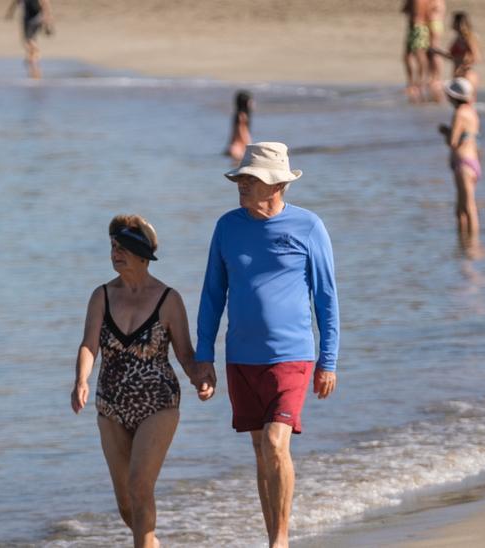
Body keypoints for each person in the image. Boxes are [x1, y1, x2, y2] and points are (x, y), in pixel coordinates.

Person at [195, 142, 340, 548]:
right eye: (241, 177)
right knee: (261, 449)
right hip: (240, 356)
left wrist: (328, 361)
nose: (241, 184)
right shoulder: (227, 226)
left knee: (277, 441)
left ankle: (280, 540)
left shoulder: (308, 227)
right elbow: (212, 294)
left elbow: (326, 298)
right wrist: (202, 356)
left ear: (275, 186)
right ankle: (271, 536)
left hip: (292, 356)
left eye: (250, 179)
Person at [71, 215, 214, 547]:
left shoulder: (168, 299)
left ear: (142, 254)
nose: (115, 254)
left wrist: (199, 378)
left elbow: (185, 354)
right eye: (113, 247)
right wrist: (81, 379)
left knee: (139, 486)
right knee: (126, 504)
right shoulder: (101, 297)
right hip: (110, 406)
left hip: (158, 404)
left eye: (122, 248)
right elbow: (89, 344)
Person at [438, 78, 481, 236]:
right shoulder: (471, 111)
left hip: (464, 164)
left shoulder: (459, 113)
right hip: (473, 161)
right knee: (461, 210)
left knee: (468, 208)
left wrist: (445, 131)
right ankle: (464, 245)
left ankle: (472, 245)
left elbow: (453, 142)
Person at [430, 11, 481, 89]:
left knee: (465, 99)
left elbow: (476, 57)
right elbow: (451, 56)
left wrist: (462, 64)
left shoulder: (468, 38)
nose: (452, 23)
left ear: (459, 23)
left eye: (454, 21)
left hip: (466, 73)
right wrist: (437, 51)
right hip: (457, 74)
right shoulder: (457, 39)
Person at [5, 0, 53, 79]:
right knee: (28, 39)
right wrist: (10, 12)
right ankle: (32, 57)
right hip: (28, 17)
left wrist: (47, 19)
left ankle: (35, 53)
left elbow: (45, 3)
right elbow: (16, 3)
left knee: (29, 39)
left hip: (36, 17)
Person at [401, 0, 432, 102]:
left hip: (417, 26)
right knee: (408, 56)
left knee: (419, 55)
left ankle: (418, 83)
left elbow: (404, 9)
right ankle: (414, 83)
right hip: (418, 26)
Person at [425, 0, 447, 101]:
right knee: (430, 52)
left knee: (434, 51)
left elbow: (435, 11)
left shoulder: (438, 1)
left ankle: (437, 77)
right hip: (432, 23)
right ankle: (433, 76)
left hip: (435, 23)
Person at [226, 90, 253, 163]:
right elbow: (242, 132)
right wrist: (249, 146)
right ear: (245, 102)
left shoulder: (237, 115)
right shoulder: (242, 116)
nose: (252, 103)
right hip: (238, 148)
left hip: (233, 146)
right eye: (250, 101)